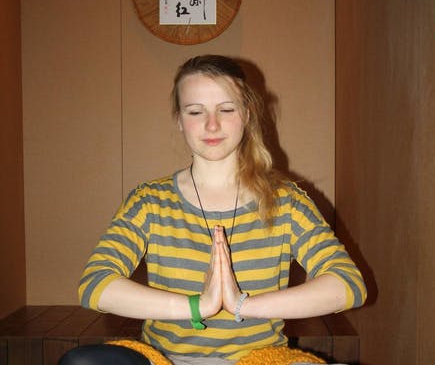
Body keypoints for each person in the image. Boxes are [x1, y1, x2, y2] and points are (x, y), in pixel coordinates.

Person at [59, 55, 367, 365]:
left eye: (226, 109)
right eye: (196, 111)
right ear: (179, 120)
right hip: (164, 359)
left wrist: (242, 305)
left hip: (260, 359)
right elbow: (95, 285)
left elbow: (347, 284)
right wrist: (199, 306)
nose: (212, 124)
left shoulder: (286, 202)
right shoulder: (149, 202)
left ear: (246, 115)